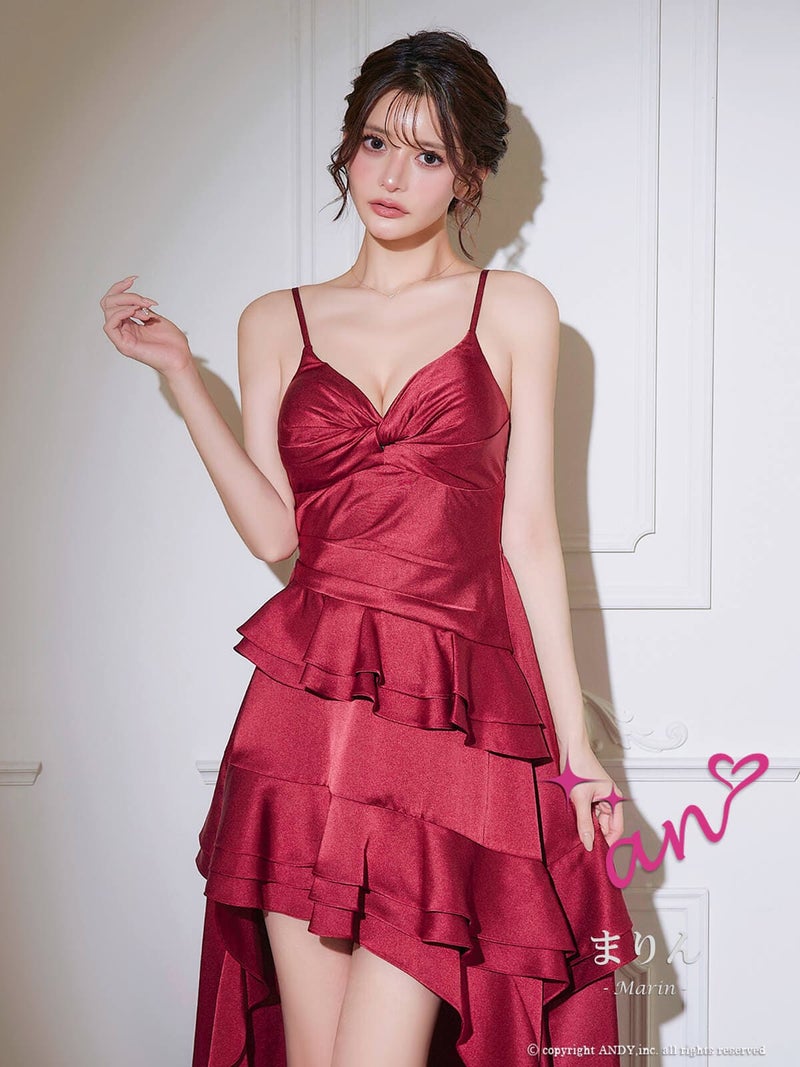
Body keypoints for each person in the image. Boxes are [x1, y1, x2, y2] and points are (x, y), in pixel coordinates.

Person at [100, 27, 636, 1067]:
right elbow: (275, 532)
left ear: (469, 177)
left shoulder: (511, 309)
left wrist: (577, 754)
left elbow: (528, 535)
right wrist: (182, 378)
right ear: (346, 148)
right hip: (301, 731)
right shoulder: (276, 320)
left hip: (448, 731)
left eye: (427, 154)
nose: (392, 177)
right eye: (376, 143)